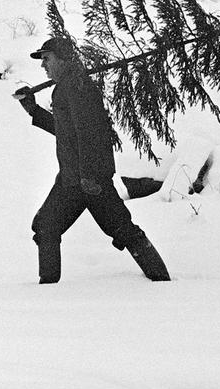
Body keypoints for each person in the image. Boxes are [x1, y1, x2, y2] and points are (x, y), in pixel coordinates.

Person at [14, 36, 171, 284]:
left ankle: (162, 282)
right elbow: (68, 130)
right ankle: (47, 289)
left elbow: (90, 133)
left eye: (47, 59)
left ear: (63, 59)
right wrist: (34, 110)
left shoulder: (77, 88)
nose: (43, 66)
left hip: (88, 179)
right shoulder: (68, 87)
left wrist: (89, 177)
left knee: (120, 228)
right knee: (46, 226)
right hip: (73, 180)